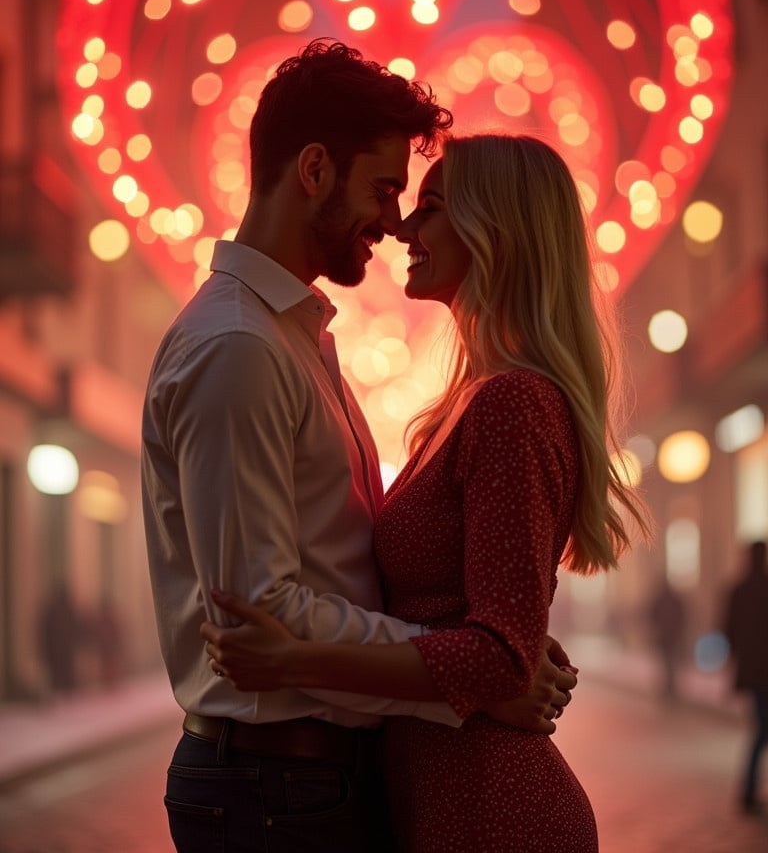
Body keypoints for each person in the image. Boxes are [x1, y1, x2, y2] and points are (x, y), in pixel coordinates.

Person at [141, 43, 578, 853]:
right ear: (313, 170)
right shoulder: (240, 347)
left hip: (307, 783)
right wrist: (466, 680)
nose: (393, 219)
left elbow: (345, 592)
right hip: (277, 785)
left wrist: (482, 662)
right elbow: (260, 620)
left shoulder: (296, 339)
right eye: (382, 188)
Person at [203, 133, 652, 852]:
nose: (404, 227)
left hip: (491, 809)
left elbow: (499, 658)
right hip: (443, 795)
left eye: (432, 207)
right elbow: (492, 635)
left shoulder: (510, 405)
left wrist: (292, 660)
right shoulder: (470, 403)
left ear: (494, 232)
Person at [724, 539, 768, 815]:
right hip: (763, 672)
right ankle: (748, 790)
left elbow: (729, 631)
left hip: (751, 672)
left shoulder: (738, 590)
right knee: (762, 729)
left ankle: (749, 789)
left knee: (760, 728)